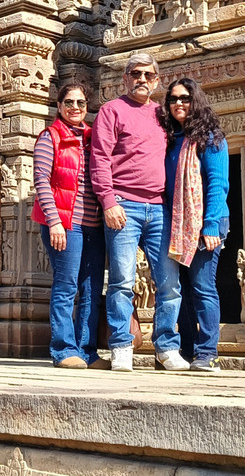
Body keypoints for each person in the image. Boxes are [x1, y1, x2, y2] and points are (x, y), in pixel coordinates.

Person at [90, 53, 184, 372]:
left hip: (159, 207)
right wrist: (108, 201)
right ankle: (121, 344)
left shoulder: (162, 116)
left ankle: (166, 347)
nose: (142, 79)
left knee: (169, 282)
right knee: (122, 280)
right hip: (124, 206)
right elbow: (100, 159)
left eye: (148, 75)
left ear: (157, 81)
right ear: (125, 78)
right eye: (135, 73)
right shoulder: (111, 111)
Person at [32, 82, 107, 370]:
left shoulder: (93, 138)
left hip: (94, 225)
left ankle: (87, 351)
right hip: (65, 224)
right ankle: (63, 349)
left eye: (80, 103)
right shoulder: (50, 137)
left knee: (92, 287)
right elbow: (42, 182)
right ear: (59, 106)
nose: (75, 107)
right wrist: (55, 222)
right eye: (69, 102)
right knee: (66, 286)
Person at [159, 77, 229, 373]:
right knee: (180, 288)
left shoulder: (210, 138)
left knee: (202, 286)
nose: (178, 103)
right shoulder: (168, 139)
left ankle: (207, 352)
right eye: (173, 99)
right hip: (175, 223)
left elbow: (217, 183)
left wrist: (211, 224)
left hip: (205, 222)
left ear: (195, 100)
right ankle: (185, 349)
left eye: (185, 98)